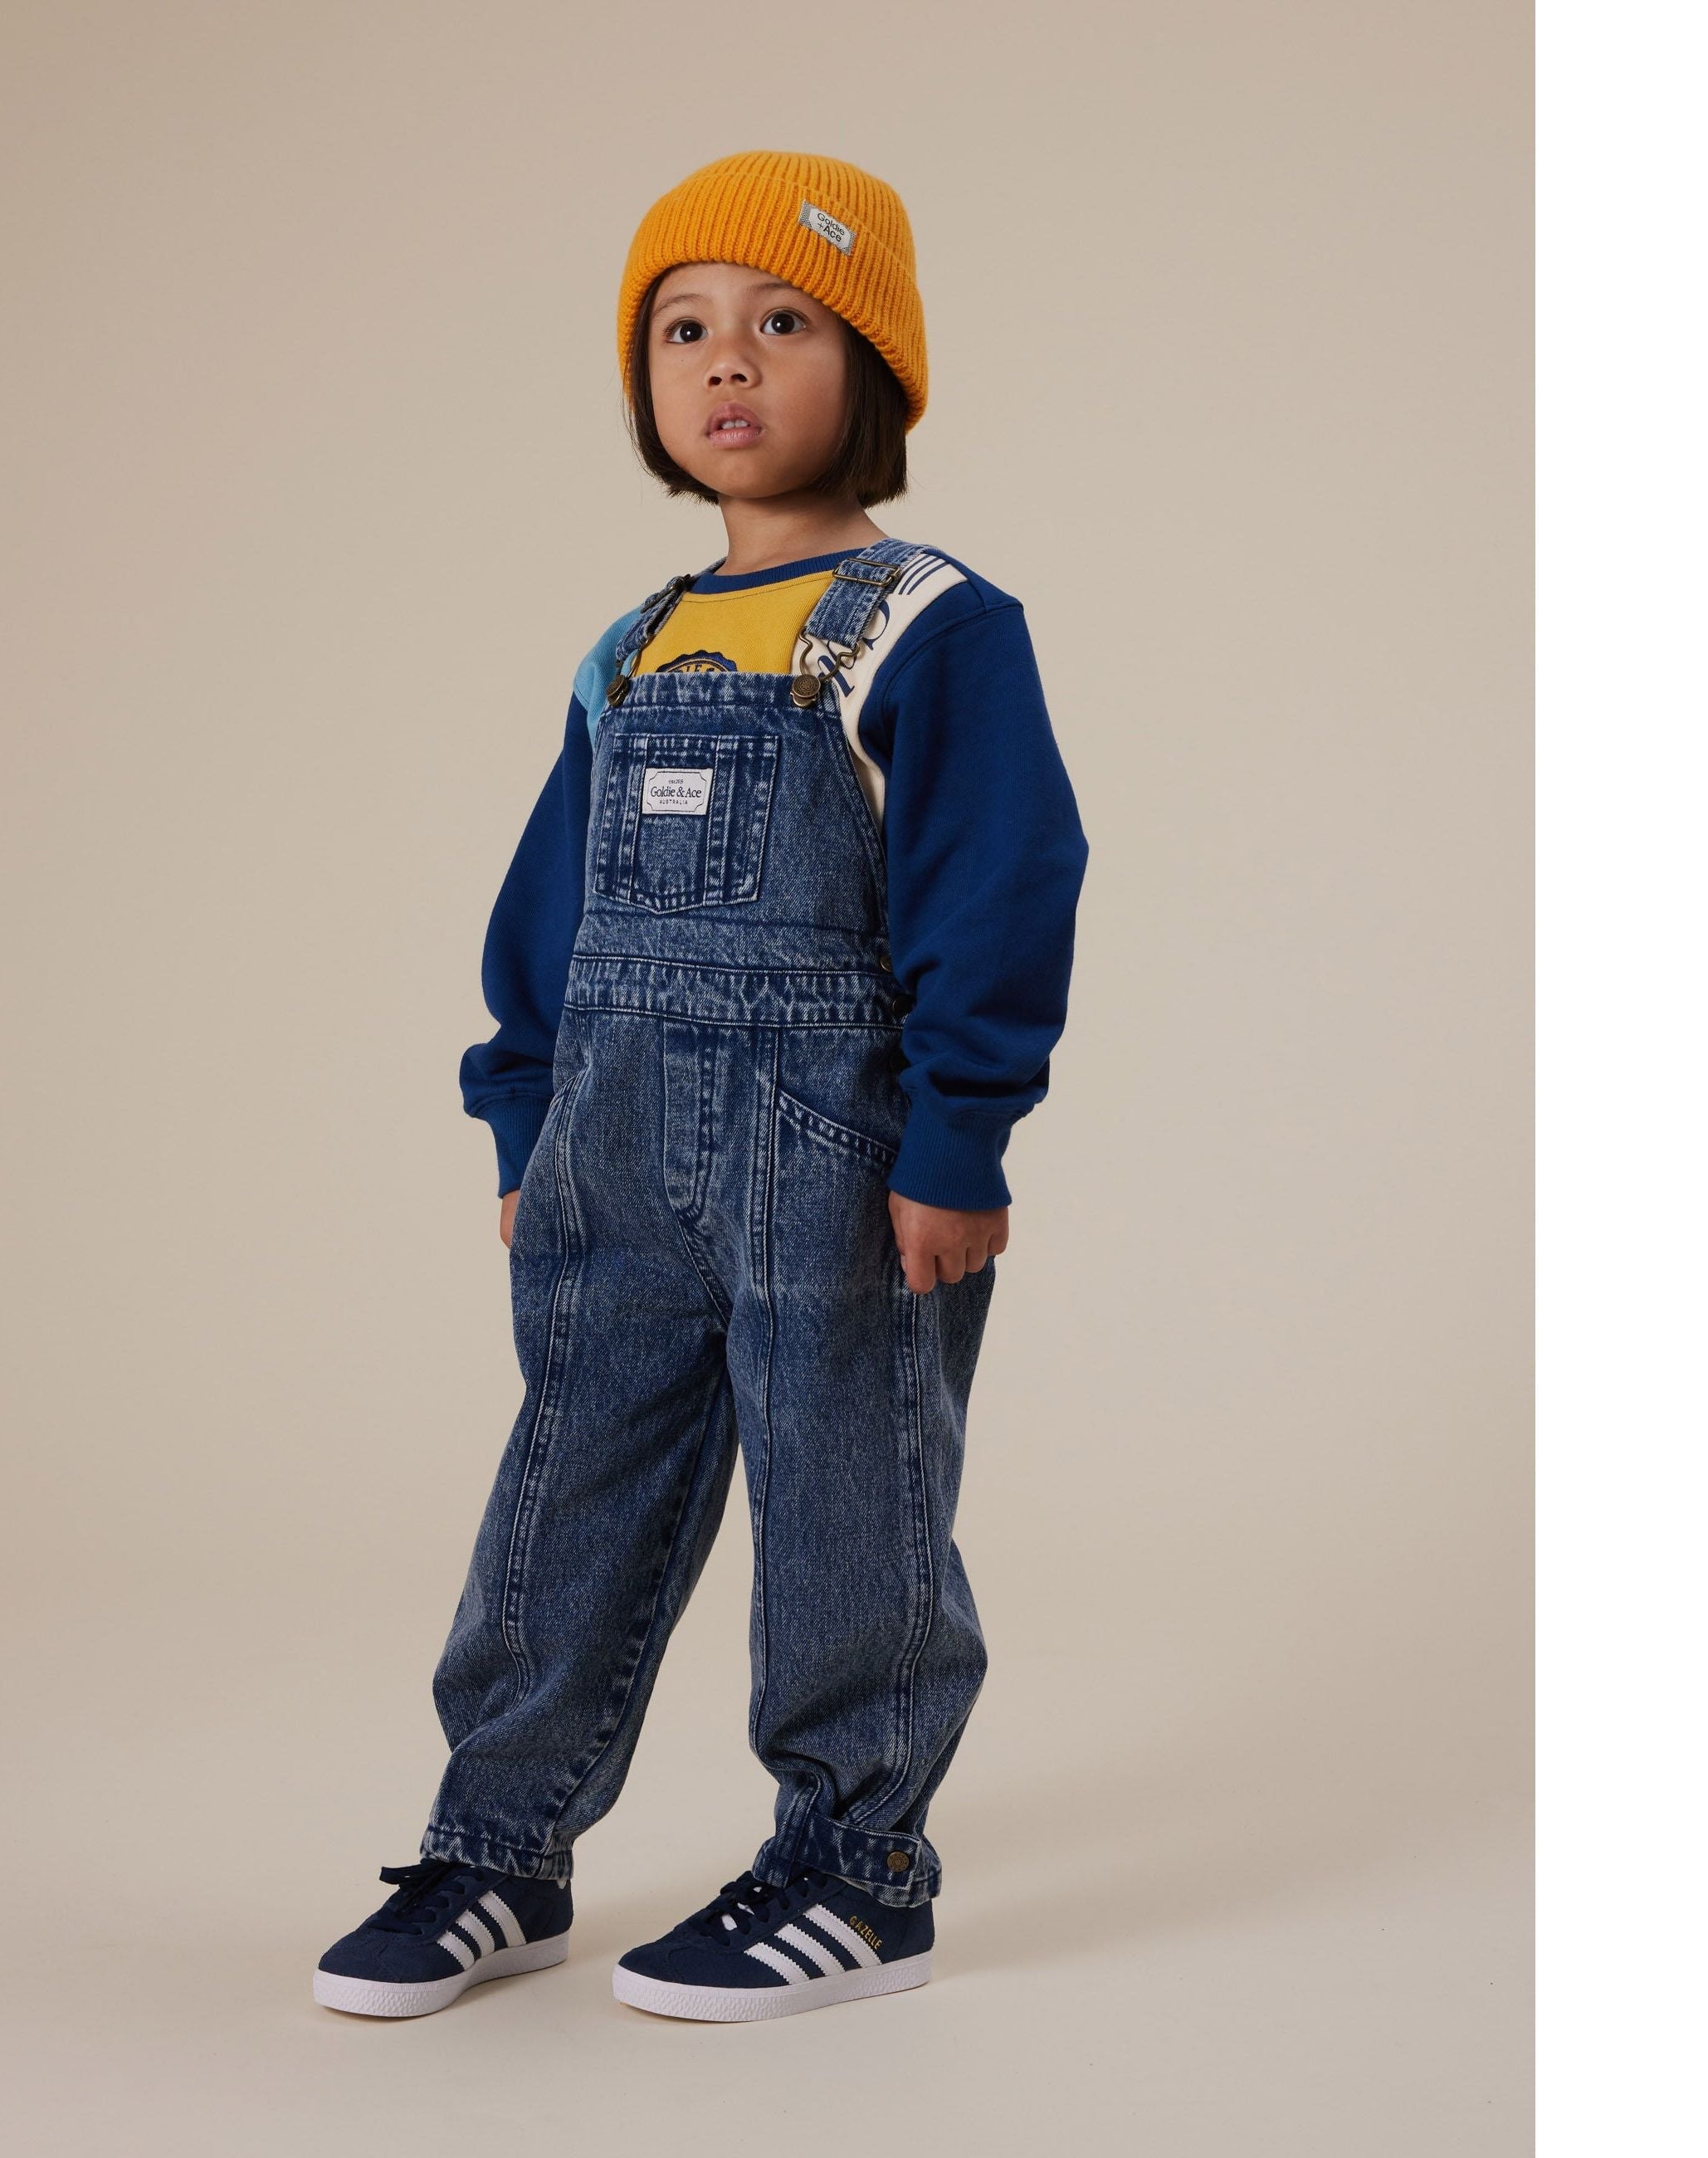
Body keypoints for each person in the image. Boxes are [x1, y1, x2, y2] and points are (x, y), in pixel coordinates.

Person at [315, 149, 1090, 2024]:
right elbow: (549, 910)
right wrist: (528, 1116)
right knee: (565, 1497)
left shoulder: (929, 624)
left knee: (848, 1506)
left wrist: (959, 1137)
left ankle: (854, 1869)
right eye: (681, 330)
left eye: (782, 320)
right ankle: (502, 1843)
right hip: (609, 1156)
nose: (725, 360)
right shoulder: (636, 647)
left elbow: (1001, 884)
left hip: (842, 1159)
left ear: (873, 369)